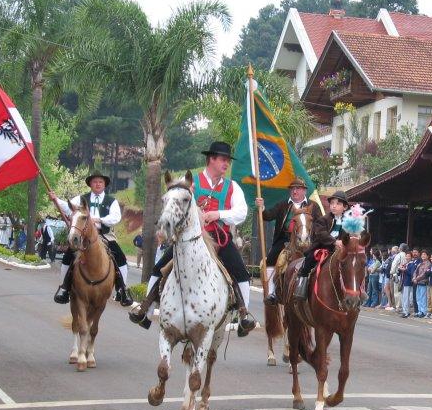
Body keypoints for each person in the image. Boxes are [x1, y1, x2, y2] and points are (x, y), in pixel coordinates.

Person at [129, 142, 256, 336]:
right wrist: (166, 229)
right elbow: (172, 205)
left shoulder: (233, 187)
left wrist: (218, 214)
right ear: (211, 159)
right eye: (223, 160)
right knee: (158, 268)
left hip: (219, 239)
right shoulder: (189, 182)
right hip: (190, 238)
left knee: (241, 273)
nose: (226, 164)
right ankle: (145, 309)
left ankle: (243, 315)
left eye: (227, 161)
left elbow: (241, 212)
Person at [50, 171, 133, 307]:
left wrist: (98, 219)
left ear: (105, 184)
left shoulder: (111, 201)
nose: (98, 184)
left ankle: (122, 290)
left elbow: (116, 218)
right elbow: (68, 207)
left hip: (104, 234)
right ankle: (64, 288)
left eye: (100, 182)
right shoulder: (82, 198)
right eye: (95, 182)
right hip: (84, 236)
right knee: (67, 257)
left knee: (121, 259)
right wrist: (55, 199)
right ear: (90, 184)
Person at [255, 177, 322, 305]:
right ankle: (272, 292)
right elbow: (268, 216)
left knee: (317, 260)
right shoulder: (283, 204)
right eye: (292, 189)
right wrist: (262, 207)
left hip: (307, 240)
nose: (294, 191)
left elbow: (320, 223)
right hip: (285, 239)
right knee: (271, 259)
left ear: (304, 191)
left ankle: (315, 290)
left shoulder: (313, 206)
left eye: (298, 188)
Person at [294, 191, 350, 300]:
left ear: (345, 207)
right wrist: (335, 241)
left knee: (354, 265)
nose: (334, 206)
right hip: (322, 248)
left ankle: (357, 291)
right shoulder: (323, 220)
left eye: (338, 204)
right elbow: (321, 234)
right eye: (332, 203)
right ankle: (301, 285)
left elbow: (351, 235)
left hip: (341, 251)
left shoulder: (349, 222)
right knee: (308, 261)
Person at [412, 250, 431, 318]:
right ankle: (419, 311)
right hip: (418, 282)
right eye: (422, 254)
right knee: (418, 298)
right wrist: (414, 278)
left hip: (423, 282)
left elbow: (424, 274)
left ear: (428, 256)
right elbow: (415, 272)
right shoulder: (420, 263)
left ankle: (423, 311)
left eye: (424, 254)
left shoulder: (428, 264)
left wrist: (416, 279)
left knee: (423, 298)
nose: (423, 256)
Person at [391, 243, 408, 312]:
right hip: (404, 274)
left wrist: (391, 272)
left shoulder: (399, 255)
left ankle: (398, 307)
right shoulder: (407, 255)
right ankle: (402, 306)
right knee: (403, 291)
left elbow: (394, 265)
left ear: (400, 248)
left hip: (397, 274)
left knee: (397, 291)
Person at [399, 253, 414, 318]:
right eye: (406, 256)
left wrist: (404, 270)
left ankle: (406, 312)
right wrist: (400, 269)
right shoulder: (406, 264)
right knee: (403, 297)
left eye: (409, 256)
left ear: (411, 257)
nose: (407, 257)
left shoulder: (412, 264)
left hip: (408, 282)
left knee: (406, 298)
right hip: (404, 282)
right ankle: (404, 310)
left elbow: (411, 273)